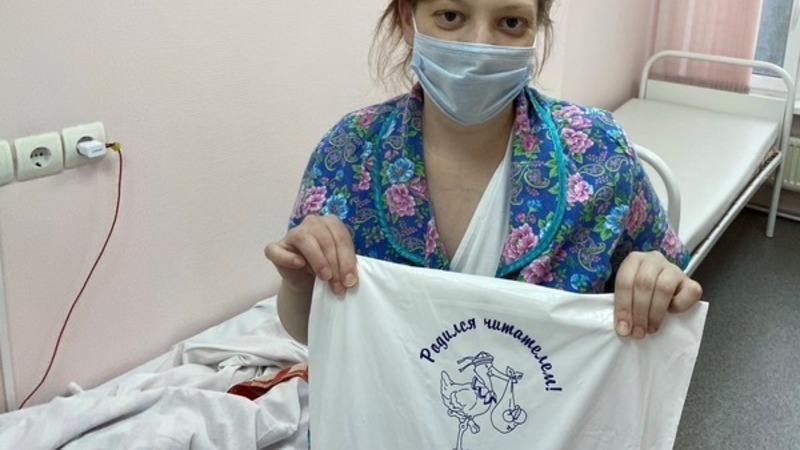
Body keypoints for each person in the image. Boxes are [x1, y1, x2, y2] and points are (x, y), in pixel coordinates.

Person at [265, 0, 703, 345]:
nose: (479, 47)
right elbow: (309, 333)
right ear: (407, 19)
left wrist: (656, 281)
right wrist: (300, 284)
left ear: (537, 30)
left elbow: (669, 294)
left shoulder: (599, 153)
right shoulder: (348, 152)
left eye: (511, 23)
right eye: (450, 16)